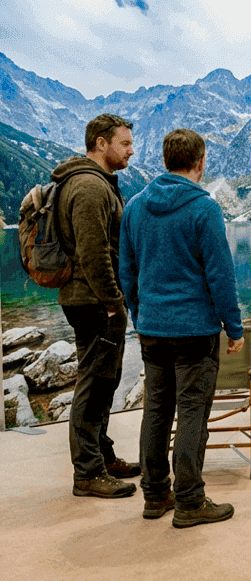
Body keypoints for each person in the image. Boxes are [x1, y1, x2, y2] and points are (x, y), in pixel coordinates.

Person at [119, 128, 244, 528]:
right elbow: (220, 275)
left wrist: (140, 315)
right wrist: (234, 327)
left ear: (165, 160)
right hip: (194, 330)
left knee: (155, 410)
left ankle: (155, 496)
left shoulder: (136, 207)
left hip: (153, 329)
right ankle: (190, 501)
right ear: (201, 162)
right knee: (192, 412)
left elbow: (127, 272)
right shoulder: (203, 208)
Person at [55, 113, 141, 499]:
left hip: (92, 301)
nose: (130, 150)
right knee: (93, 384)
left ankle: (102, 457)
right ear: (101, 143)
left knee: (105, 381)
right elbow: (93, 254)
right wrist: (112, 302)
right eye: (124, 143)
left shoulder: (94, 182)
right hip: (93, 303)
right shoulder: (89, 187)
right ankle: (87, 472)